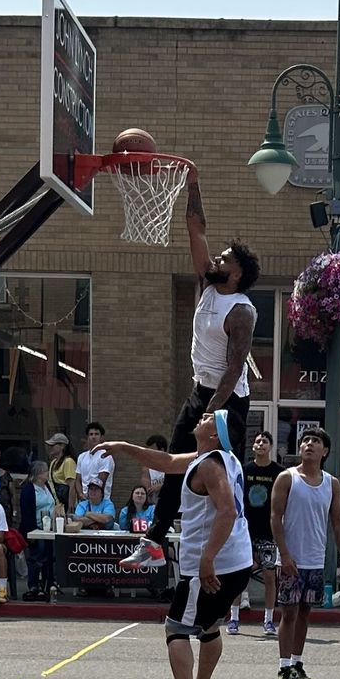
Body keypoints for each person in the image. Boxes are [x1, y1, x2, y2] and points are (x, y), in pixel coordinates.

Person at [121, 164, 260, 570]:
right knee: (175, 462)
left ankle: (231, 547)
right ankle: (154, 540)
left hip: (229, 400)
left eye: (224, 258)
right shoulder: (207, 283)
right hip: (203, 389)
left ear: (236, 272)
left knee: (216, 471)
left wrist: (210, 409)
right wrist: (193, 182)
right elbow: (195, 227)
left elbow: (235, 370)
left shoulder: (241, 311)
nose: (216, 257)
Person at [96, 409, 253, 679]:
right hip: (237, 561)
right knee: (209, 627)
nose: (204, 416)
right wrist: (124, 446)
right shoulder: (217, 458)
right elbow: (166, 463)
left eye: (211, 418)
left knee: (176, 629)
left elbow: (227, 511)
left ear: (214, 435)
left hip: (212, 564)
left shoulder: (210, 465)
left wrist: (207, 559)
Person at [270, 427, 340, 679]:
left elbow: (337, 522)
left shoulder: (331, 483)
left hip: (315, 559)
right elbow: (275, 518)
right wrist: (284, 553)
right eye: (306, 440)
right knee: (289, 613)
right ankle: (283, 669)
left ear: (324, 451)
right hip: (291, 559)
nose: (310, 444)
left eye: (316, 441)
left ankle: (297, 664)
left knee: (305, 612)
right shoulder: (287, 478)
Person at [228, 430, 281, 638]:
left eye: (265, 441)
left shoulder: (278, 472)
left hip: (267, 531)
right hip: (244, 531)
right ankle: (233, 618)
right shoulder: (245, 470)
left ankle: (268, 620)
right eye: (258, 441)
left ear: (270, 447)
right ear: (253, 447)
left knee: (269, 575)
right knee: (240, 575)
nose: (261, 444)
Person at [19, 460, 55, 601]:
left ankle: (48, 583)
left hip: (49, 528)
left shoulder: (47, 487)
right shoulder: (29, 490)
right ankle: (34, 584)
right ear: (39, 474)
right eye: (45, 471)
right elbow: (26, 513)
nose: (47, 474)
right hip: (35, 528)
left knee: (48, 557)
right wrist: (30, 533)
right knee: (36, 557)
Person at [76, 422, 114, 505]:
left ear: (101, 437)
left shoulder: (105, 455)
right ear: (87, 437)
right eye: (91, 434)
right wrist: (80, 494)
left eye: (96, 434)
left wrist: (90, 496)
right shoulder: (81, 457)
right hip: (83, 502)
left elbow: (101, 481)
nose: (93, 436)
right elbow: (77, 480)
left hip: (101, 502)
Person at [45, 433, 77, 516]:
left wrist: (70, 507)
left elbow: (72, 486)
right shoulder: (53, 463)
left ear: (62, 446)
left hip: (66, 503)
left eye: (53, 445)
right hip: (57, 503)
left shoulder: (68, 462)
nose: (50, 448)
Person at [141, 434, 168, 505]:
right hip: (153, 505)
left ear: (161, 450)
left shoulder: (171, 466)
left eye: (152, 451)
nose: (149, 454)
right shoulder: (147, 468)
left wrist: (161, 486)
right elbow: (146, 491)